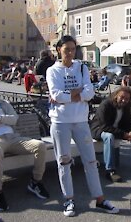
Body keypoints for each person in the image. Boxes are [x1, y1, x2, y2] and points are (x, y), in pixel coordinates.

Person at [46, 35, 119, 217]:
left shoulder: (81, 67)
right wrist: (77, 93)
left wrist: (70, 95)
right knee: (64, 162)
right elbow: (56, 94)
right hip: (60, 122)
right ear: (59, 50)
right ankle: (68, 199)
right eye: (66, 49)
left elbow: (89, 92)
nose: (70, 53)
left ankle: (100, 198)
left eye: (73, 49)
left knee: (91, 161)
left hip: (80, 121)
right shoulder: (52, 71)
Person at [0, 74, 49, 211]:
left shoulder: (4, 104)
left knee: (40, 146)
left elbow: (15, 120)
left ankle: (36, 181)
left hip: (12, 138)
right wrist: (2, 121)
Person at [90, 86, 131, 182]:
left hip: (115, 130)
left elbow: (129, 123)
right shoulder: (106, 104)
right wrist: (123, 135)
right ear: (116, 96)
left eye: (127, 99)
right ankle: (110, 170)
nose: (124, 100)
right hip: (99, 129)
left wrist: (130, 132)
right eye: (122, 97)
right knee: (109, 137)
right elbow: (104, 126)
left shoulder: (126, 107)